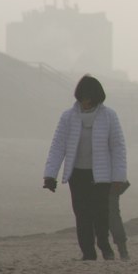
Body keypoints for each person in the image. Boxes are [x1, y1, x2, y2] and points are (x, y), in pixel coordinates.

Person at [43, 74, 127, 261]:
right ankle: (88, 253)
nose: (86, 103)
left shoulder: (109, 116)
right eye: (83, 99)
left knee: (101, 215)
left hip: (101, 177)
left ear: (96, 98)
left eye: (89, 99)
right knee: (82, 216)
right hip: (77, 175)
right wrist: (50, 175)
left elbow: (118, 147)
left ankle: (104, 246)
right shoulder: (67, 117)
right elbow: (58, 146)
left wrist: (118, 178)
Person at [108, 180, 131, 260]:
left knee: (113, 217)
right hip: (111, 182)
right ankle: (122, 251)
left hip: (109, 183)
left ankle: (122, 251)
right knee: (113, 217)